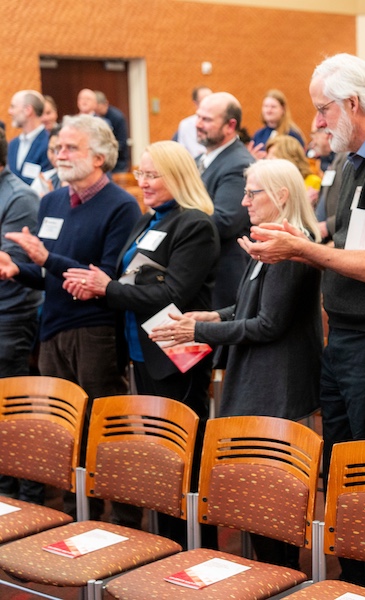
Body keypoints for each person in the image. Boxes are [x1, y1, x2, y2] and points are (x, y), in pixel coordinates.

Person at [239, 53, 365, 598]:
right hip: (346, 336)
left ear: (352, 104)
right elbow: (344, 240)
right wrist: (297, 239)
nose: (317, 121)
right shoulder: (352, 162)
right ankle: (355, 585)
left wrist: (301, 249)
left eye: (323, 109)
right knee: (345, 472)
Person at [148, 159, 323, 567]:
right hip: (260, 382)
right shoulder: (271, 240)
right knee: (256, 499)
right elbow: (252, 306)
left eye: (252, 193)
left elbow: (268, 325)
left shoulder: (289, 248)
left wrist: (199, 332)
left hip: (274, 388)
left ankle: (280, 580)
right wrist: (214, 316)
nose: (243, 201)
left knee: (268, 504)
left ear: (281, 195)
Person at [63, 140, 219, 546]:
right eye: (141, 174)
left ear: (177, 176)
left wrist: (109, 288)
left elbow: (173, 294)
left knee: (183, 460)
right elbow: (133, 279)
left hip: (176, 354)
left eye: (152, 175)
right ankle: (166, 547)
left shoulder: (195, 224)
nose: (144, 182)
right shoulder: (149, 219)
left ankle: (194, 549)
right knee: (157, 459)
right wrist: (99, 287)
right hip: (140, 352)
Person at [0, 114, 141, 519]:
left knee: (105, 430)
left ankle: (124, 520)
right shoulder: (52, 201)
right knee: (63, 432)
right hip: (53, 328)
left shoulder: (121, 206)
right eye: (58, 147)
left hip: (95, 330)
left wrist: (47, 259)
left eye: (70, 147)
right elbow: (49, 274)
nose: (59, 154)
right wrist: (17, 268)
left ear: (98, 157)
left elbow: (105, 277)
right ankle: (76, 519)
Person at [0, 136, 43, 505]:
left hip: (10, 315)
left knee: (13, 410)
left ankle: (25, 496)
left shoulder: (20, 197)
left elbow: (9, 264)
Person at [196, 91, 255, 308]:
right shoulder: (199, 159)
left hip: (223, 279)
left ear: (230, 126)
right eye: (198, 117)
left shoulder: (239, 164)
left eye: (207, 119)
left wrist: (178, 220)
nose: (198, 124)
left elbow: (224, 221)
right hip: (202, 271)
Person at [7, 90, 52, 185]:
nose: (10, 112)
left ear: (28, 110)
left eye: (13, 107)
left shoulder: (49, 143)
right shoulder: (12, 144)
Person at [265, 135, 322, 204]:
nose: (268, 158)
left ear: (289, 156)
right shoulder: (270, 183)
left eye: (273, 154)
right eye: (268, 154)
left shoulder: (313, 181)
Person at [250, 89, 306, 156]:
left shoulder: (292, 134)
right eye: (266, 106)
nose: (269, 110)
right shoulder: (259, 134)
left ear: (283, 109)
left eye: (273, 107)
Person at [95, 91, 130, 173]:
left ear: (105, 103)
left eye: (98, 107)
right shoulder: (96, 117)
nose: (96, 111)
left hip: (118, 163)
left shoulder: (117, 117)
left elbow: (122, 142)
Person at [175, 86, 212, 158]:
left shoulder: (219, 122)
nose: (210, 104)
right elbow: (182, 153)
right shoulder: (186, 125)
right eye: (205, 101)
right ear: (196, 103)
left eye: (211, 100)